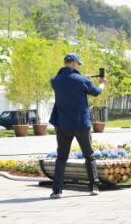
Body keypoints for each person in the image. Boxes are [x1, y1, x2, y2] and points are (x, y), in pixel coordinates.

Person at [48, 53, 107, 199]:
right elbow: (96, 92)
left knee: (61, 158)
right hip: (81, 123)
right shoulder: (82, 80)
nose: (78, 66)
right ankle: (94, 187)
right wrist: (102, 83)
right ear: (74, 63)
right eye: (78, 64)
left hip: (62, 124)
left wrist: (80, 77)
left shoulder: (55, 80)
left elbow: (68, 83)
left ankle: (57, 191)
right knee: (89, 156)